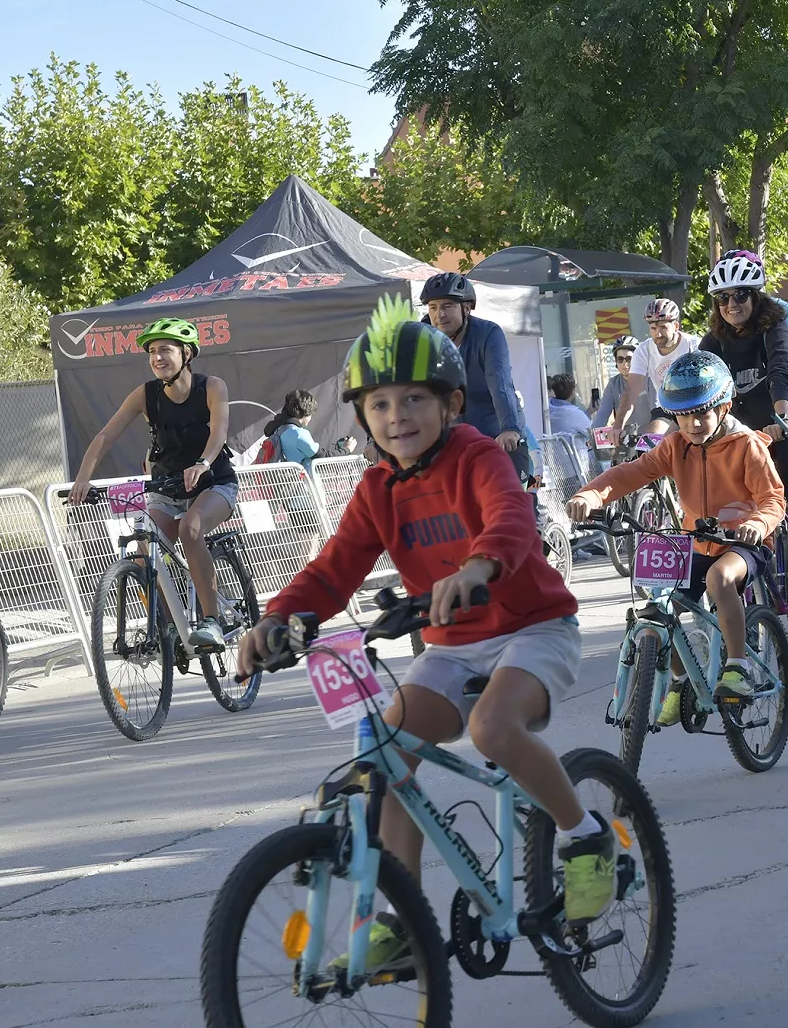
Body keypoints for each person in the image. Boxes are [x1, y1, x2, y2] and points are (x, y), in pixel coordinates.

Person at [235, 295, 615, 968]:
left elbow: (510, 518)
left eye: (413, 399)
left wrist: (478, 566)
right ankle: (399, 916)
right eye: (379, 405)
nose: (397, 416)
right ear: (361, 418)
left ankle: (585, 837)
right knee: (384, 752)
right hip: (450, 643)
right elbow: (334, 567)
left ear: (451, 404)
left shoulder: (475, 457)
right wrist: (276, 618)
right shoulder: (377, 487)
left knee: (494, 728)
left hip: (533, 626)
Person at [568, 350, 786, 723]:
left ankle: (737, 666)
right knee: (659, 605)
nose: (693, 423)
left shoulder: (746, 445)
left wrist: (758, 524)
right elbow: (630, 474)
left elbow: (773, 499)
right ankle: (682, 680)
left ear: (724, 407)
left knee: (720, 579)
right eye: (683, 415)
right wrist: (591, 493)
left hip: (742, 544)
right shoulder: (674, 446)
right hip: (695, 544)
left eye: (702, 412)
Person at [69, 317, 236, 654]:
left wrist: (202, 463)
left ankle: (211, 621)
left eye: (166, 350)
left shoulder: (212, 387)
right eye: (152, 352)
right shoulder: (146, 394)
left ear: (186, 354)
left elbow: (218, 432)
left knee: (191, 529)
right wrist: (83, 479)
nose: (157, 357)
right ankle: (171, 628)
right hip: (168, 488)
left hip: (214, 483)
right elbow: (105, 436)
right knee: (146, 551)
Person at [698, 250, 788, 572]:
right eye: (723, 297)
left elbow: (782, 368)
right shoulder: (716, 338)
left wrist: (781, 416)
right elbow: (695, 378)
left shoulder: (775, 325)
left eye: (740, 295)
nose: (732, 304)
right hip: (746, 430)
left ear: (755, 296)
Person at [420, 271, 530, 483]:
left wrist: (509, 429)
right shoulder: (421, 338)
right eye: (433, 307)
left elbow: (499, 381)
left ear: (467, 307)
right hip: (454, 440)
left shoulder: (488, 334)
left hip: (497, 433)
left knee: (515, 495)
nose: (439, 314)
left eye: (447, 306)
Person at [624, 297, 699, 437]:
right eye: (653, 328)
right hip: (667, 407)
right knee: (649, 445)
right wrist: (617, 426)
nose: (658, 334)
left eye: (663, 327)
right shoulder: (644, 349)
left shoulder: (693, 345)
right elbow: (631, 390)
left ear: (676, 326)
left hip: (695, 405)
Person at [592, 336, 639, 437]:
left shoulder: (649, 379)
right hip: (626, 440)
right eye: (620, 359)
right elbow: (602, 415)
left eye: (629, 359)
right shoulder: (613, 384)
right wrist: (592, 437)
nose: (624, 364)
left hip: (651, 438)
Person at [260, 390, 321, 465]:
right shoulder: (299, 434)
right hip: (298, 475)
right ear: (305, 413)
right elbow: (320, 456)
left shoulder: (277, 429)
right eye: (311, 414)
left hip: (279, 474)